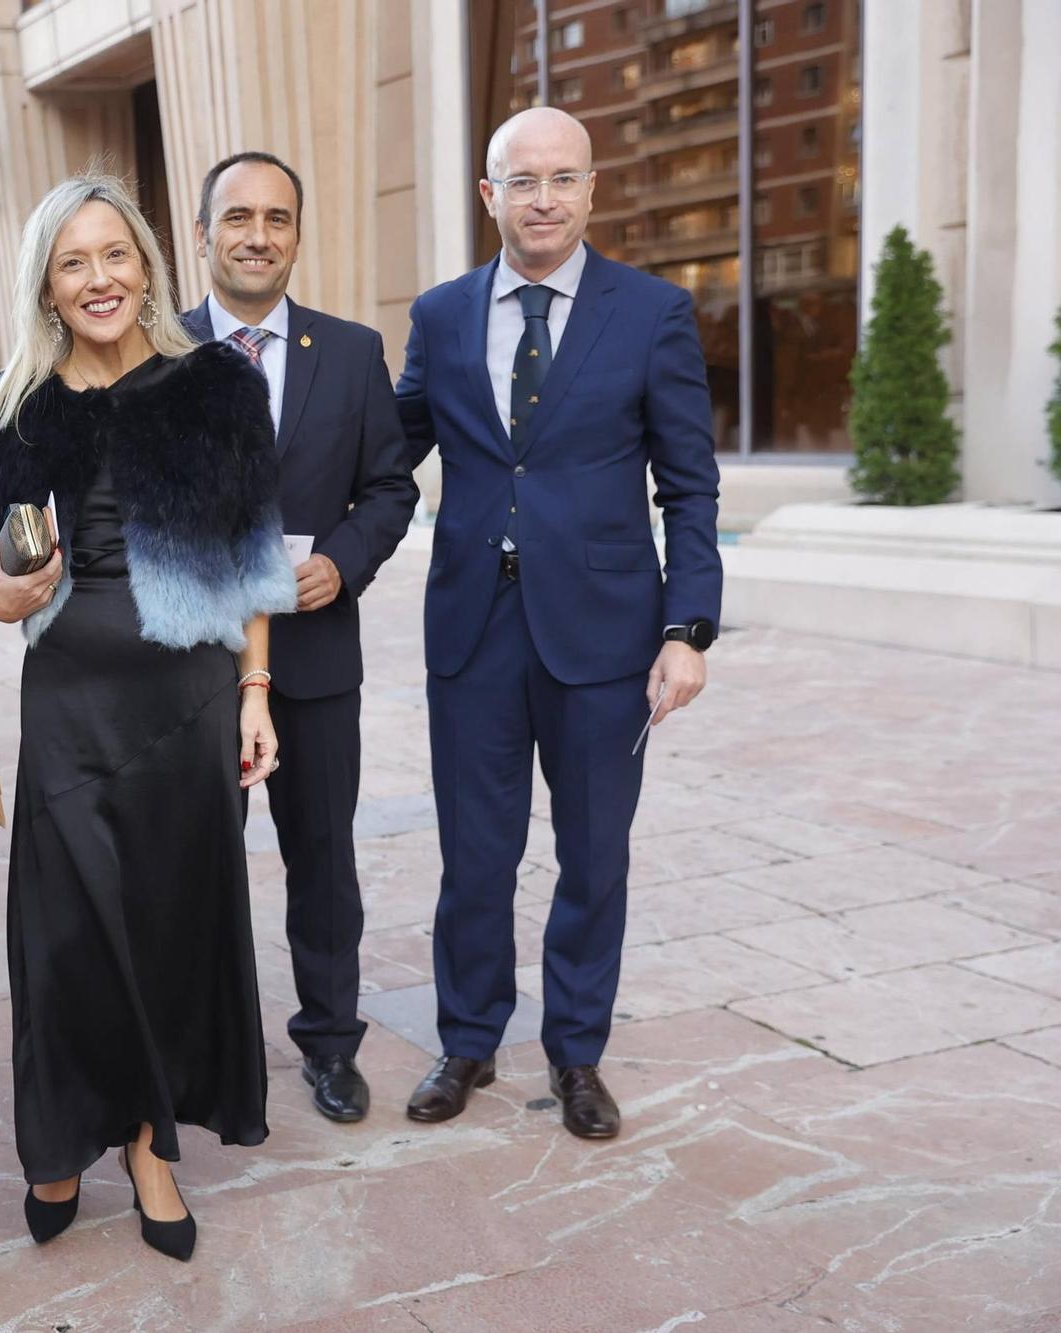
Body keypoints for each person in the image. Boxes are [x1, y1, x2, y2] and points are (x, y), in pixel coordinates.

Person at [0, 173, 295, 1265]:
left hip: (189, 700)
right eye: (73, 262)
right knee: (63, 939)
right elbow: (0, 578)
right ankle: (63, 1131)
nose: (98, 277)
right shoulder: (13, 405)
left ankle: (152, 1144)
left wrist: (255, 696)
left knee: (166, 924)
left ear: (147, 264)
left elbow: (256, 563)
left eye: (114, 254)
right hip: (68, 700)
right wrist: (8, 588)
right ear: (47, 286)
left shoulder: (215, 386)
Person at [395, 107, 722, 1140]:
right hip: (472, 628)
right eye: (520, 179)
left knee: (591, 855)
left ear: (591, 191)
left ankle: (575, 1053)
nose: (542, 197)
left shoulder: (652, 312)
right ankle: (467, 1038)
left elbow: (689, 487)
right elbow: (385, 448)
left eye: (561, 179)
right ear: (486, 194)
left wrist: (688, 627)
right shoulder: (442, 314)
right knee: (474, 853)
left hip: (603, 634)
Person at [179, 152, 421, 1124]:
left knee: (321, 863)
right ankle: (210, 1049)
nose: (255, 235)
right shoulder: (158, 350)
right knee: (199, 865)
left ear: (295, 234)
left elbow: (391, 485)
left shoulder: (352, 352)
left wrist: (345, 559)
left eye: (276, 218)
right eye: (236, 216)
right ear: (201, 233)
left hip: (317, 663)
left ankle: (329, 1044)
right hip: (191, 670)